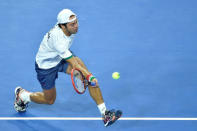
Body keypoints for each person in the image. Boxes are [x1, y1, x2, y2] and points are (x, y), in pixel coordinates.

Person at [14, 9, 122, 126]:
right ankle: (23, 96)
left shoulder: (66, 28)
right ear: (62, 26)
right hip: (46, 67)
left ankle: (105, 114)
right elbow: (74, 64)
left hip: (61, 57)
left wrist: (88, 77)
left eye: (76, 22)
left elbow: (75, 63)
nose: (76, 26)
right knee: (49, 100)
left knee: (87, 76)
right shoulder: (58, 40)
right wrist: (90, 77)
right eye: (72, 24)